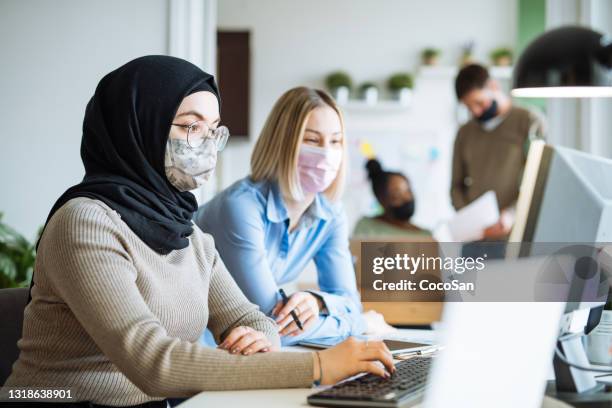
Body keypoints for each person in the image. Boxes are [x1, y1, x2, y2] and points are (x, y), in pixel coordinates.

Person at [1, 57, 394, 408]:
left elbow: (253, 318)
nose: (206, 144)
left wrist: (261, 338)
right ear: (139, 126)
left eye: (214, 130)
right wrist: (319, 365)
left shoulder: (187, 232)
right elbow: (152, 362)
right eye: (190, 126)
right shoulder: (85, 222)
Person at [194, 87, 393, 346]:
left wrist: (317, 301)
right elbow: (269, 323)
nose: (327, 152)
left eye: (335, 141)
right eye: (312, 140)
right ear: (282, 143)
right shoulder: (240, 207)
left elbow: (348, 300)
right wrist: (361, 324)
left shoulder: (331, 214)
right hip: (197, 348)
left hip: (249, 351)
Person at [451, 64, 545, 240]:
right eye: (469, 107)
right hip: (476, 238)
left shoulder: (529, 121)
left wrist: (511, 214)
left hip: (516, 234)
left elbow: (540, 181)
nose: (476, 111)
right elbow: (455, 186)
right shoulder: (465, 132)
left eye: (479, 103)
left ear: (494, 87)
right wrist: (468, 219)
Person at [353, 158, 431, 238]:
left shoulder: (425, 236)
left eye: (408, 191)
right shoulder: (366, 227)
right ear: (382, 200)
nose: (406, 198)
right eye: (397, 195)